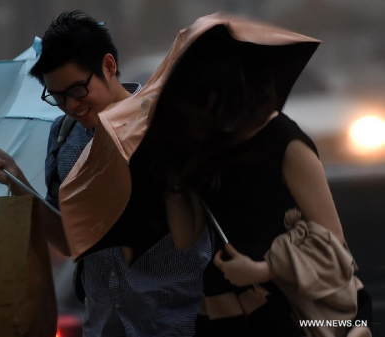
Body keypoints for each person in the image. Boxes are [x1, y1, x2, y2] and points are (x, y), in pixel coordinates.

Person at [0, 10, 212, 336]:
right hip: (102, 324)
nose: (71, 106)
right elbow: (70, 241)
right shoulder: (63, 137)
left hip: (176, 323)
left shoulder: (164, 126)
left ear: (109, 66)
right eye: (56, 97)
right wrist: (16, 179)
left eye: (77, 90)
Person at [144, 19, 373, 337]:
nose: (203, 112)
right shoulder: (203, 148)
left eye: (210, 99)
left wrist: (263, 269)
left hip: (293, 308)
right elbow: (186, 238)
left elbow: (334, 246)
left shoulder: (284, 142)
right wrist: (173, 178)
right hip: (225, 309)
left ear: (232, 91)